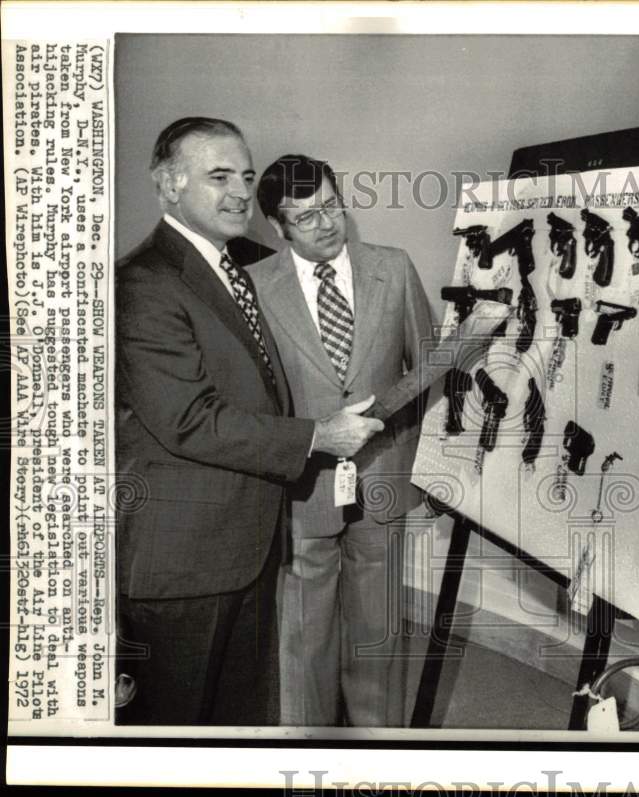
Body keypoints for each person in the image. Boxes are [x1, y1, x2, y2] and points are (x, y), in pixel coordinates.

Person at [115, 118, 384, 725]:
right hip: (183, 565)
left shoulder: (236, 267)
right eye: (218, 177)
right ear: (169, 186)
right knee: (176, 730)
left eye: (244, 175)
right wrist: (318, 435)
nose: (239, 191)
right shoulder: (144, 282)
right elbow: (188, 419)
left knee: (236, 721)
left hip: (244, 545)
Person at [249, 154, 435, 726]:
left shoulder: (393, 269)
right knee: (303, 635)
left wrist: (423, 471)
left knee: (377, 627)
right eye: (305, 218)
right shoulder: (254, 288)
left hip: (382, 479)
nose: (326, 223)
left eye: (330, 205)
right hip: (303, 489)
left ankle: (378, 747)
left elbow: (426, 370)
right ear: (279, 229)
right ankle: (308, 750)